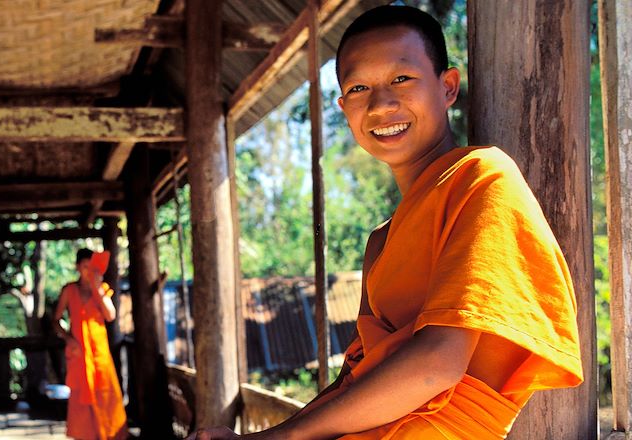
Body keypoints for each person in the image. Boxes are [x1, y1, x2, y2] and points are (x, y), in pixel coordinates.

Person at [188, 5, 582, 439]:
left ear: (447, 86)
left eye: (401, 79)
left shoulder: (482, 178)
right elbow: (351, 380)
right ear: (343, 107)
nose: (381, 104)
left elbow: (437, 365)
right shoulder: (380, 241)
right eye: (359, 88)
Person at [52, 249, 128, 440]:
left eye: (91, 267)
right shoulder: (69, 290)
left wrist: (98, 289)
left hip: (100, 356)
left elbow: (110, 315)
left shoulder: (101, 289)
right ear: (78, 267)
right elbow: (56, 320)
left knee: (107, 397)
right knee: (80, 402)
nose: (88, 271)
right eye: (84, 267)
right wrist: (68, 338)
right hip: (79, 356)